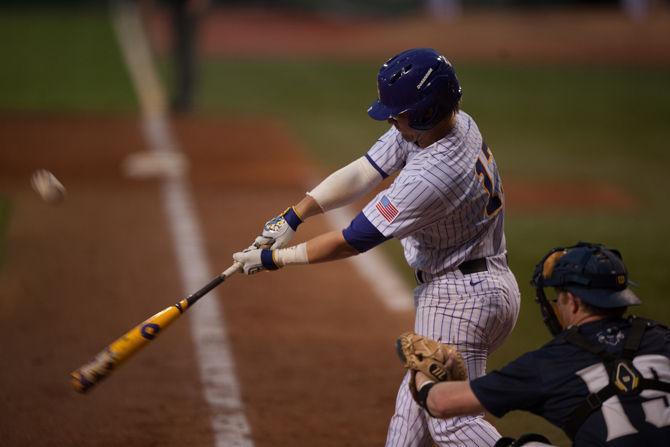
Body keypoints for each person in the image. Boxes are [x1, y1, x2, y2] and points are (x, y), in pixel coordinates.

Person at [233, 48, 521, 446]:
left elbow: (354, 240)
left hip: (460, 302)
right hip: (475, 286)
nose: (391, 119)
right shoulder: (450, 123)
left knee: (449, 421)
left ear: (422, 113)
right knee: (411, 412)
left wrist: (274, 258)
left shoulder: (432, 175)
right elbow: (365, 170)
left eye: (396, 113)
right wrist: (292, 217)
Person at [409, 242, 670, 446]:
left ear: (573, 302)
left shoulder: (551, 363)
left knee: (529, 445)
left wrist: (423, 373)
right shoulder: (661, 337)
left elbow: (439, 404)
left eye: (559, 297)